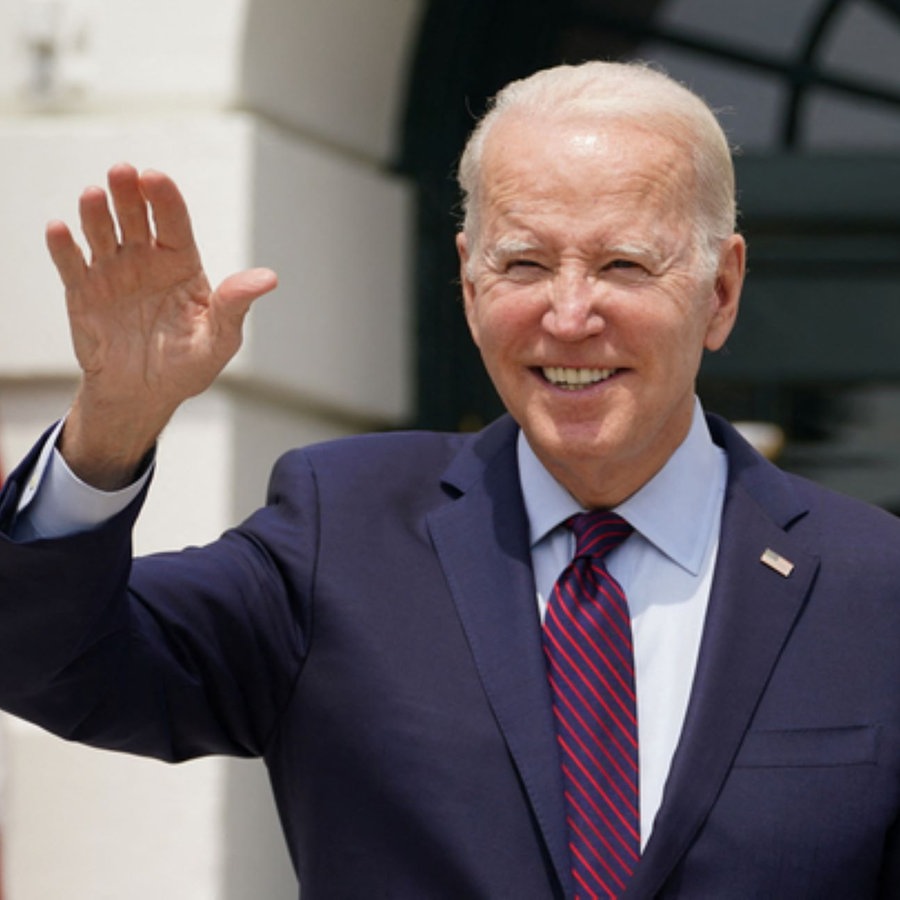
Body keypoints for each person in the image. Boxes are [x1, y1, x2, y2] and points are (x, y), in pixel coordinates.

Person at [0, 59, 899, 899]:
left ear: (722, 290)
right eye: (524, 263)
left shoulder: (875, 587)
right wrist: (114, 422)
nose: (571, 313)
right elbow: (51, 663)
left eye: (624, 264)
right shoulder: (340, 530)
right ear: (469, 285)